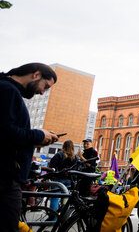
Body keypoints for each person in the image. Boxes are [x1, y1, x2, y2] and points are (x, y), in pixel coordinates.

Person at [0, 63, 59, 232]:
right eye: (45, 86)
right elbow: (5, 131)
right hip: (5, 180)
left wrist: (37, 139)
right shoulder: (8, 90)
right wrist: (39, 135)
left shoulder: (8, 90)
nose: (42, 92)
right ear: (36, 74)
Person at [48, 140, 79, 210]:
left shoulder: (59, 154)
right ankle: (64, 218)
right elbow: (76, 170)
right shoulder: (75, 157)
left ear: (63, 146)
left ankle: (53, 218)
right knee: (65, 199)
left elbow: (51, 166)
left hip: (58, 179)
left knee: (55, 197)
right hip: (69, 180)